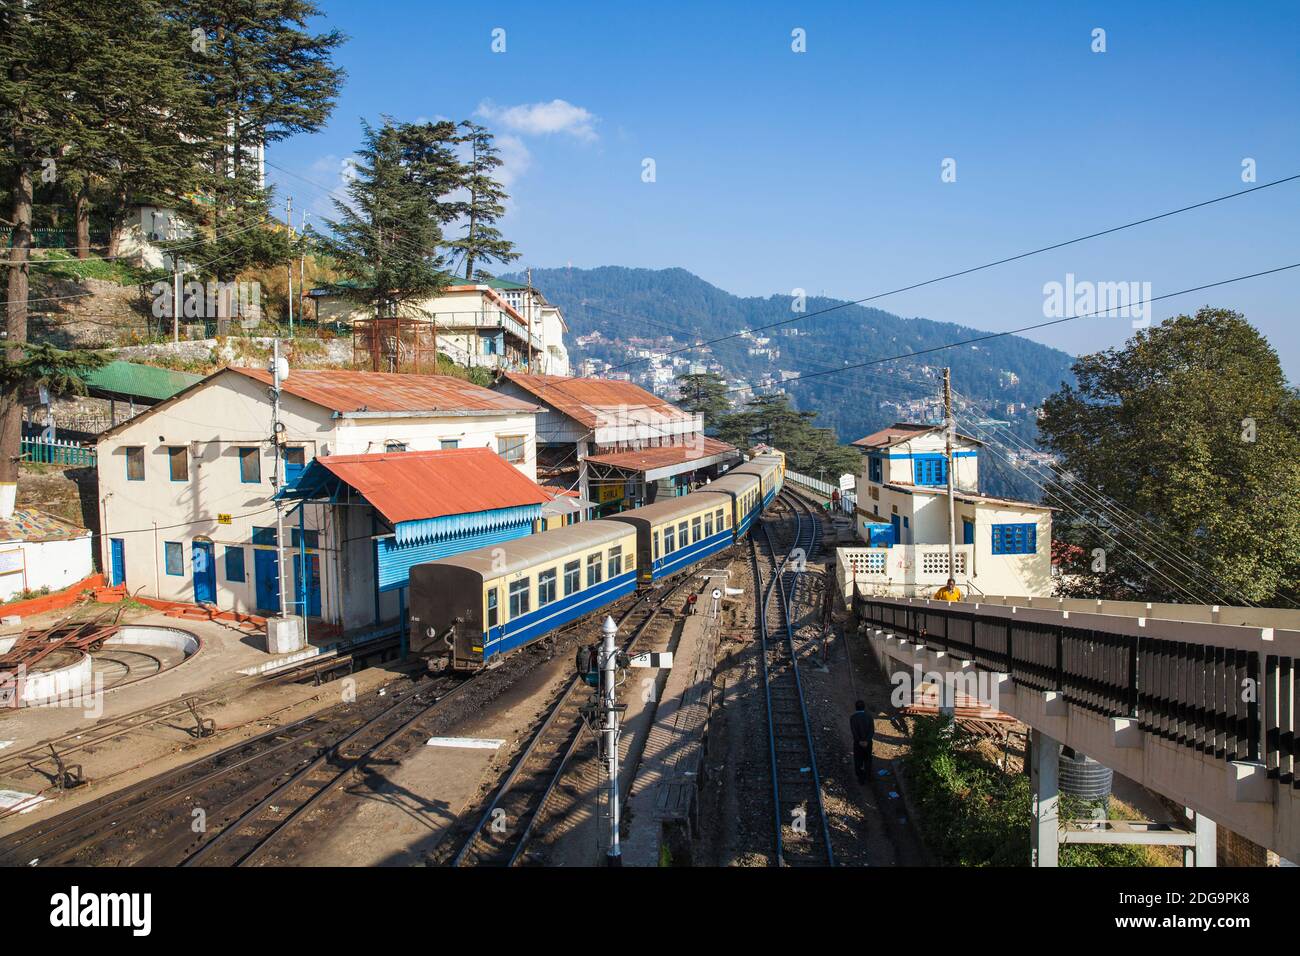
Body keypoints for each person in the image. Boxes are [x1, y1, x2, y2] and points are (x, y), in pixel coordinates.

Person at [849, 699, 875, 784]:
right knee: (867, 759)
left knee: (858, 760)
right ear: (864, 707)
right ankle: (868, 776)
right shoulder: (869, 717)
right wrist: (867, 740)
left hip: (858, 743)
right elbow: (872, 730)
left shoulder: (853, 718)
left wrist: (859, 741)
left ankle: (861, 778)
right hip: (868, 743)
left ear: (856, 708)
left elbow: (854, 731)